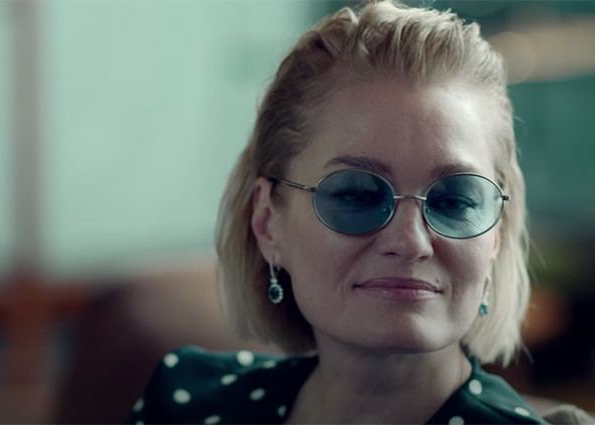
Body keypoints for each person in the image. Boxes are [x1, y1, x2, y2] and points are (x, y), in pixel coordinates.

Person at [125, 1, 553, 423]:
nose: (410, 241)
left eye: (454, 201)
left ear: (495, 238)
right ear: (268, 223)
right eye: (356, 196)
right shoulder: (183, 405)